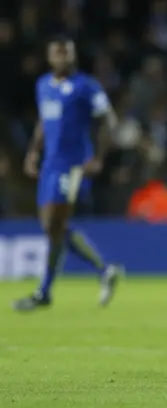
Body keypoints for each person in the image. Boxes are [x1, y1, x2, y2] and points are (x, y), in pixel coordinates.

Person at [13, 36, 123, 312]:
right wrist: (33, 152)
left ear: (73, 56)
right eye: (57, 53)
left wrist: (97, 157)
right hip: (50, 164)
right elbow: (43, 121)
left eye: (66, 53)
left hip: (73, 165)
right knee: (53, 228)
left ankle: (50, 290)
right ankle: (101, 271)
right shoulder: (43, 86)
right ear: (50, 57)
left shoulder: (86, 86)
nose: (62, 58)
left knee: (54, 224)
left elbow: (109, 120)